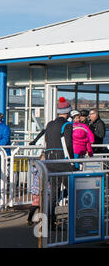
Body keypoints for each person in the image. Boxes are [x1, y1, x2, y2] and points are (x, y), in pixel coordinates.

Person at [44, 97, 75, 229]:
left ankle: (50, 221)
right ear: (68, 112)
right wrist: (73, 161)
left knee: (54, 193)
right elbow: (68, 144)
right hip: (62, 161)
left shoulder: (49, 124)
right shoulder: (67, 125)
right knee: (73, 190)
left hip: (50, 160)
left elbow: (46, 141)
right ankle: (76, 220)